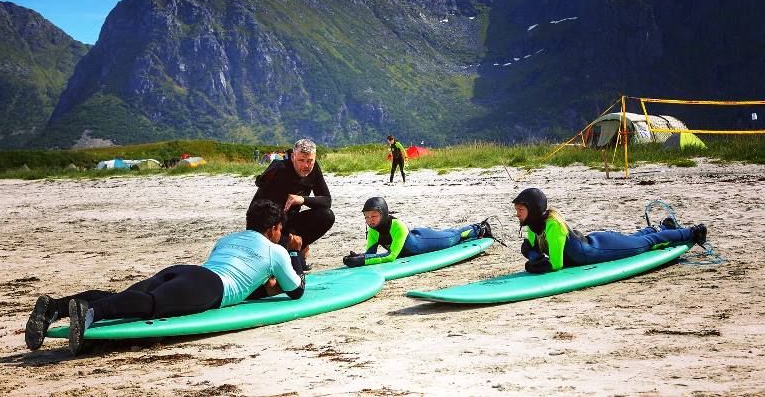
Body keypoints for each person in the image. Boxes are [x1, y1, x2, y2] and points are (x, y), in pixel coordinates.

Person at [24, 200, 305, 356]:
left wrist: (263, 287)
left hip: (186, 270)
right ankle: (91, 312)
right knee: (150, 304)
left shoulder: (227, 239)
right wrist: (295, 254)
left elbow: (245, 275)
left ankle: (55, 307)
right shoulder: (275, 250)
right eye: (280, 230)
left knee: (123, 295)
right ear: (274, 228)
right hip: (211, 286)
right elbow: (296, 290)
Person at [511, 188, 708, 273]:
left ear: (534, 210)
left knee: (648, 243)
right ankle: (664, 227)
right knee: (634, 239)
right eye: (517, 210)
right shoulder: (533, 226)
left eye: (521, 210)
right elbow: (533, 248)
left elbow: (556, 264)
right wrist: (530, 252)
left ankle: (692, 232)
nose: (517, 214)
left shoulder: (553, 226)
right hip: (592, 241)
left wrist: (533, 263)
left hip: (600, 250)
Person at [251, 138, 334, 269]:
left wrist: (302, 199)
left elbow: (326, 201)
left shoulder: (314, 169)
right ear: (293, 157)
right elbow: (258, 204)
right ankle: (292, 252)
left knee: (327, 215)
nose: (306, 166)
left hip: (289, 222)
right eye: (301, 160)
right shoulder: (280, 169)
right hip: (268, 227)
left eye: (310, 161)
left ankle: (298, 248)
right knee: (296, 266)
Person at [342, 197, 493, 267]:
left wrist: (363, 260)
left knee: (454, 237)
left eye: (374, 216)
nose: (370, 220)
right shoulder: (373, 230)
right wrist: (359, 257)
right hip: (414, 239)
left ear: (384, 213)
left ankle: (480, 228)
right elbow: (371, 253)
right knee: (452, 236)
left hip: (424, 241)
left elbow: (390, 257)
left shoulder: (397, 226)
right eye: (367, 217)